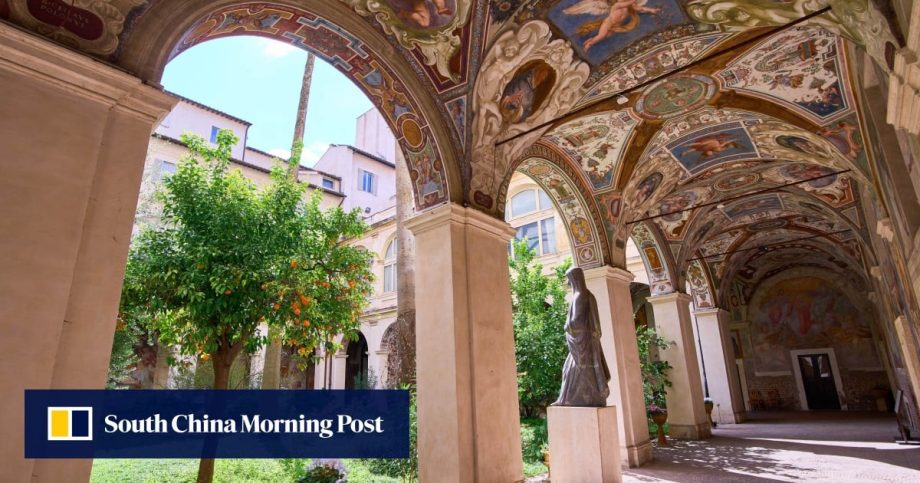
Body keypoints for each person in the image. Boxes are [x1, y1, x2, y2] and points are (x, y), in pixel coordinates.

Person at [554, 267, 610, 407]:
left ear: (574, 280)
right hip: (586, 341)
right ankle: (577, 398)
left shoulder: (579, 295)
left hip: (581, 342)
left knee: (573, 370)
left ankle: (569, 399)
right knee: (575, 370)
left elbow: (575, 321)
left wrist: (566, 326)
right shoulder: (588, 295)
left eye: (570, 279)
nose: (569, 283)